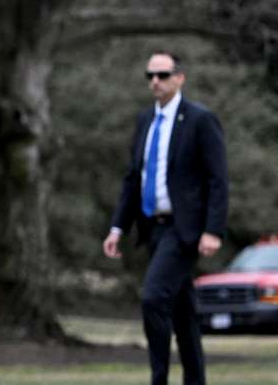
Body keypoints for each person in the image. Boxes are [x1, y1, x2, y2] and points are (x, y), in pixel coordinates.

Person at [103, 51, 228, 385]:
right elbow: (133, 178)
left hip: (183, 229)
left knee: (153, 297)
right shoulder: (145, 120)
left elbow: (218, 179)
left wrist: (213, 229)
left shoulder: (200, 120)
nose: (155, 82)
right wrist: (118, 226)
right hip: (152, 228)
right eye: (150, 76)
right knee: (184, 314)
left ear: (180, 77)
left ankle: (159, 378)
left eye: (162, 75)